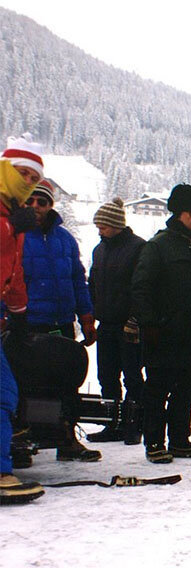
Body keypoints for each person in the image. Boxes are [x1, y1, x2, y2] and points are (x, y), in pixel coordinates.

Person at [132, 184, 191, 464]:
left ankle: (180, 441)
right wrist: (150, 324)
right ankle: (154, 442)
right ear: (177, 213)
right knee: (157, 388)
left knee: (186, 389)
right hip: (164, 333)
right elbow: (141, 288)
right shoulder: (157, 247)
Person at [21, 179, 101, 462]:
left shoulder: (65, 239)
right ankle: (21, 443)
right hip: (28, 324)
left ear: (50, 205)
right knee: (29, 387)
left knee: (67, 384)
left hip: (63, 323)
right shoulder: (14, 234)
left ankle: (67, 440)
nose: (35, 207)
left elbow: (78, 279)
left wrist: (87, 316)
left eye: (41, 202)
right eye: (30, 201)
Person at [1, 134, 44, 504]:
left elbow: (12, 272)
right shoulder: (10, 219)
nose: (28, 181)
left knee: (6, 393)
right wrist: (13, 227)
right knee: (2, 394)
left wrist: (19, 315)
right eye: (23, 173)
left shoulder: (15, 216)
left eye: (34, 178)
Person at [86, 198, 146, 445]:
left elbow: (142, 287)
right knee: (106, 376)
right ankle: (111, 425)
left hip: (129, 325)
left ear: (116, 224)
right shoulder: (99, 250)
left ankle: (134, 425)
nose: (99, 230)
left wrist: (135, 318)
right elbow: (92, 284)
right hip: (106, 324)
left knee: (132, 376)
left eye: (103, 226)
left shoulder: (138, 248)